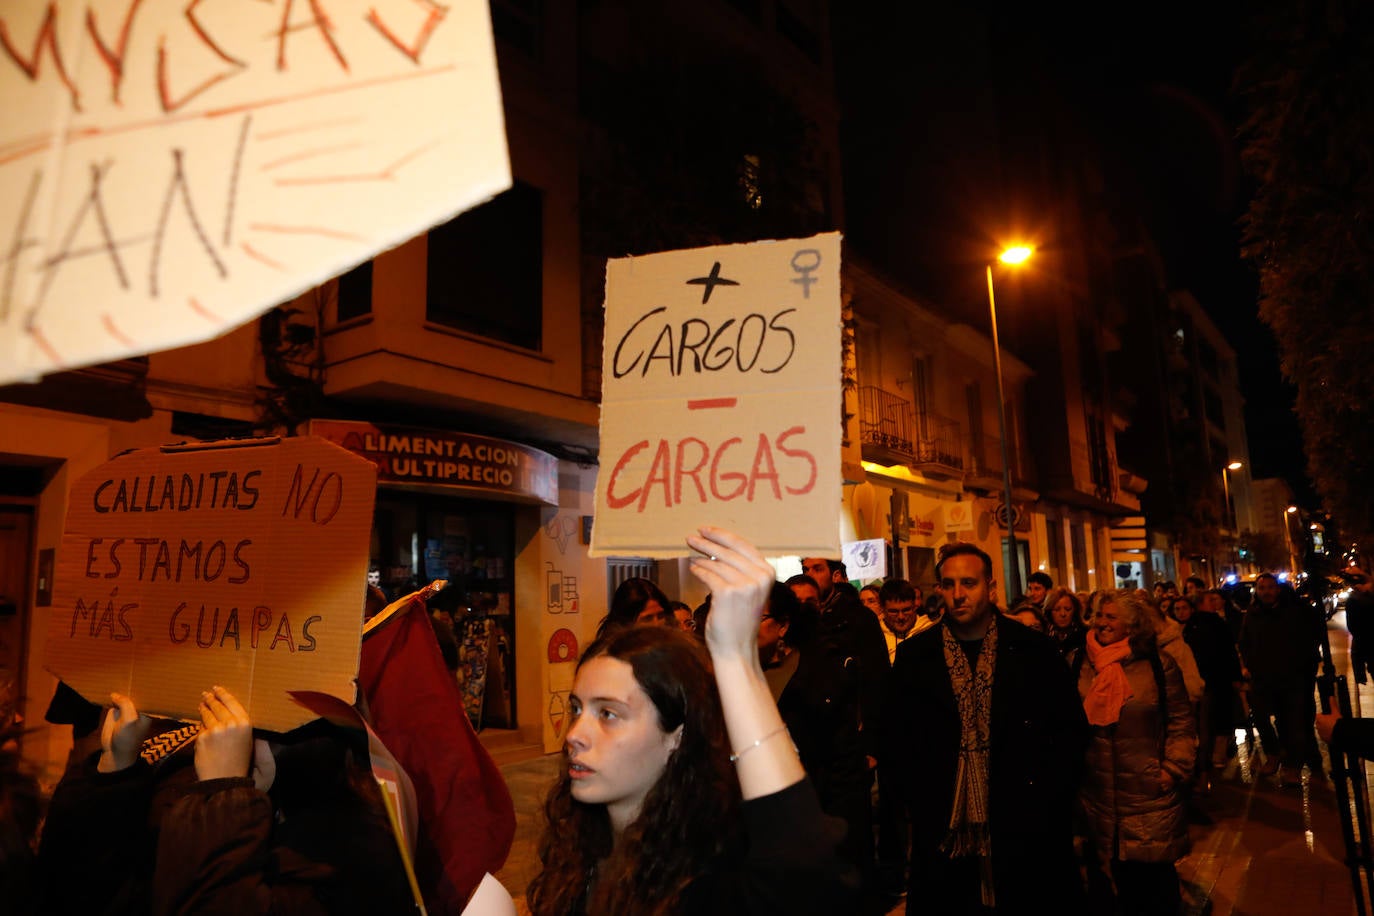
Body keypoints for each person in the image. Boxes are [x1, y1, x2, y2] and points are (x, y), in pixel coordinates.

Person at [528, 527, 854, 914]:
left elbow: (806, 873)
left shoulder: (711, 882)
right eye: (577, 709)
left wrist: (735, 658)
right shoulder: (574, 858)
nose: (575, 735)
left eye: (609, 714)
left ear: (677, 736)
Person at [37, 686, 415, 915]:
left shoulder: (354, 854)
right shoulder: (183, 792)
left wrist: (222, 799)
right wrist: (114, 771)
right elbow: (77, 893)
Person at [885, 542, 1088, 914]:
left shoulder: (1034, 651)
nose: (958, 594)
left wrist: (1047, 798)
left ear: (990, 587)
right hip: (945, 826)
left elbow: (1069, 733)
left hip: (1026, 824)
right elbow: (897, 740)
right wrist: (919, 798)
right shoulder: (916, 657)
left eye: (969, 583)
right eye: (948, 584)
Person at [1076, 590, 1196, 916]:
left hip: (1149, 797)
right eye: (1099, 615)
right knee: (1109, 890)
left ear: (1132, 625)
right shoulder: (1079, 662)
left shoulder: (1158, 665)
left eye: (1111, 617)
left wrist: (1172, 769)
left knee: (1154, 888)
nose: (1102, 623)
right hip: (1097, 797)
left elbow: (1181, 723)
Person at [1238, 572, 1324, 784]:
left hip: (1291, 678)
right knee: (1260, 718)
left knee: (1292, 723)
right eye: (1262, 588)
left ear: (1277, 590)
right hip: (1262, 678)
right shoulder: (1252, 614)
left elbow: (1309, 640)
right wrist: (1250, 664)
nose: (1266, 592)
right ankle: (1274, 754)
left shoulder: (1293, 612)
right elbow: (1245, 642)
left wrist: (1302, 666)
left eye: (1270, 587)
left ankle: (1293, 766)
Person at [1169, 593, 1241, 786]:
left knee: (1204, 726)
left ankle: (1203, 770)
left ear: (1192, 609)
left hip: (1205, 683)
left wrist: (1234, 676)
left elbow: (1223, 652)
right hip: (1180, 687)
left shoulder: (1204, 626)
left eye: (1184, 608)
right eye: (1177, 609)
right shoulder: (1172, 631)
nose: (1181, 612)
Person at [596, 576, 672, 635]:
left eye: (661, 616)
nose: (657, 625)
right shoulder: (611, 652)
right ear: (627, 622)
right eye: (647, 619)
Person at [1341, 567, 1374, 684]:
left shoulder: (1354, 600)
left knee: (1356, 650)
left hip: (1367, 645)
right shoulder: (1367, 596)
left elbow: (1353, 627)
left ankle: (1360, 676)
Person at [1044, 587, 1087, 663]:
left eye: (1067, 609)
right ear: (1049, 612)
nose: (1063, 614)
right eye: (1057, 609)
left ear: (1075, 610)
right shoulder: (1045, 636)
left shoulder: (1085, 635)